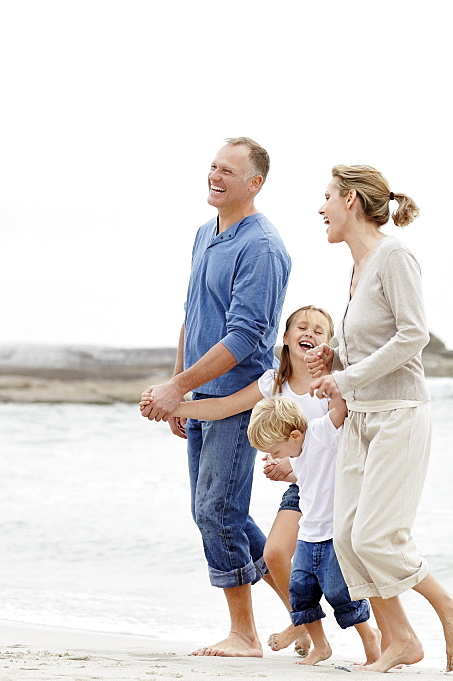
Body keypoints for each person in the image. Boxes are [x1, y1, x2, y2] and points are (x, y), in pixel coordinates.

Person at [306, 165, 453, 672]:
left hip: (399, 414)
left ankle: (450, 605)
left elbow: (413, 335)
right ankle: (400, 640)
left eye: (327, 197)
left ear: (351, 200)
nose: (321, 208)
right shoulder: (356, 268)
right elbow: (372, 342)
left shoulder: (394, 255)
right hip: (361, 419)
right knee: (347, 539)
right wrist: (334, 358)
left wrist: (347, 380)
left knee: (378, 538)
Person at [139, 137, 291, 658]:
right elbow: (192, 314)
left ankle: (246, 635)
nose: (215, 175)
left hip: (238, 399)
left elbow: (247, 336)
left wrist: (180, 390)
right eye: (213, 166)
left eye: (229, 170)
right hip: (199, 394)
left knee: (218, 512)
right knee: (214, 512)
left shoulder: (264, 247)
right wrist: (178, 385)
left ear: (255, 183)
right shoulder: (205, 233)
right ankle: (304, 610)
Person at [141, 305, 335, 657]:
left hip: (335, 488)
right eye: (302, 327)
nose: (310, 334)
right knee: (275, 552)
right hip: (301, 490)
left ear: (329, 343)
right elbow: (223, 407)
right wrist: (173, 406)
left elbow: (341, 438)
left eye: (319, 331)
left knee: (349, 564)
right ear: (286, 338)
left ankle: (375, 640)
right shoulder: (273, 383)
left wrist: (291, 467)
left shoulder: (332, 386)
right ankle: (306, 624)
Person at [247, 395, 382, 667]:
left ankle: (371, 640)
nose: (275, 456)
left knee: (338, 592)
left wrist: (331, 387)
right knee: (299, 594)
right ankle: (320, 646)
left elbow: (340, 411)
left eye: (275, 450)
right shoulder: (295, 453)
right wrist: (283, 471)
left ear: (295, 435)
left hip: (334, 534)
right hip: (307, 535)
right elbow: (308, 476)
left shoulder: (320, 432)